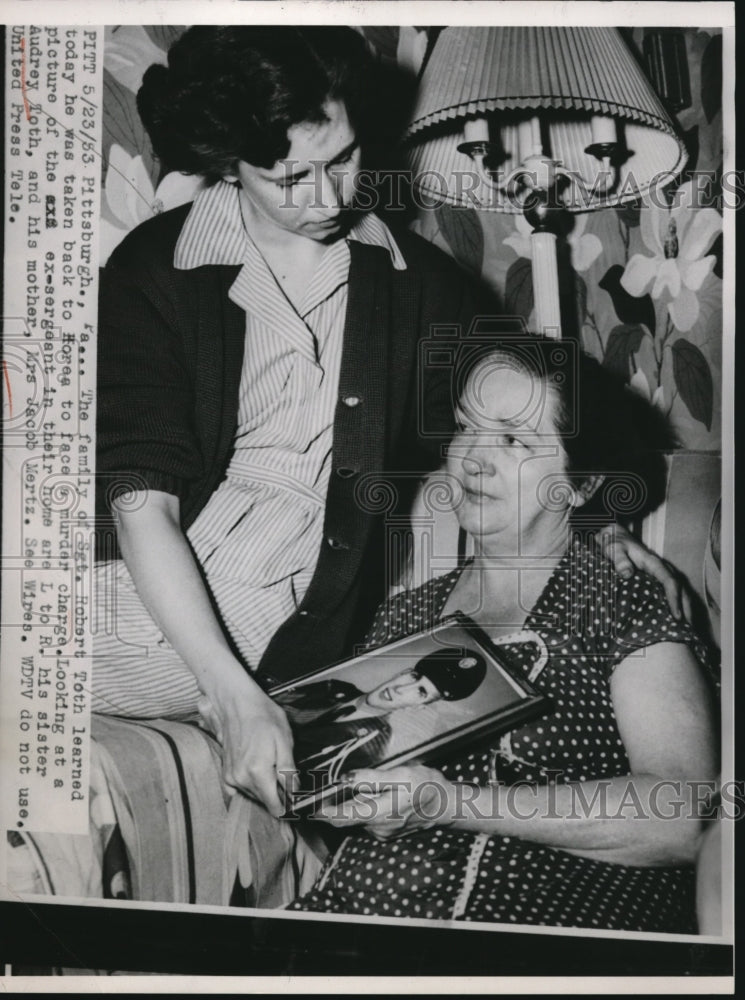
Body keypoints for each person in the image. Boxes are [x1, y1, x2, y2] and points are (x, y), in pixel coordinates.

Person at [92, 26, 688, 822]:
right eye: (288, 177)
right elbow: (140, 500)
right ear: (228, 163)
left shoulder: (420, 286)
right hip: (138, 592)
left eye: (341, 160)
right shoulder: (154, 267)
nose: (329, 198)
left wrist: (604, 521)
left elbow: (560, 410)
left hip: (280, 632)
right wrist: (231, 696)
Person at [289, 337, 718, 933]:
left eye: (514, 440)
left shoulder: (619, 603)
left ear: (581, 483)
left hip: (534, 932)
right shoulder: (404, 615)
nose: (473, 459)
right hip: (348, 927)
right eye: (468, 427)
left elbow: (684, 814)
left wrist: (451, 807)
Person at [277, 651, 487, 787]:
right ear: (403, 672)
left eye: (421, 692)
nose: (401, 688)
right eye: (413, 677)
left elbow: (307, 784)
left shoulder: (374, 746)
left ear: (419, 706)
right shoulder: (334, 688)